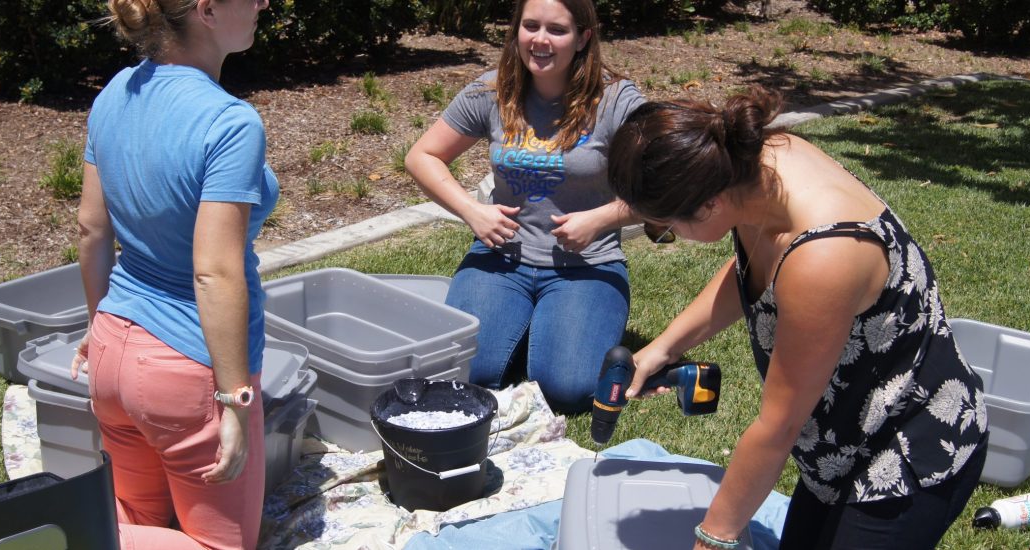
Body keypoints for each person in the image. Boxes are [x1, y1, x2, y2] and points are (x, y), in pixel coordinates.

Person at [607, 88, 988, 549]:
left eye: (663, 229)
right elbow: (758, 267)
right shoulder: (749, 167)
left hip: (909, 453)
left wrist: (715, 535)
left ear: (708, 204)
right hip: (840, 438)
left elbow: (778, 426)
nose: (669, 237)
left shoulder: (823, 257)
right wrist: (666, 346)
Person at [72, 0, 275, 548]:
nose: (262, 4)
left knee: (138, 523)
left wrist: (98, 331)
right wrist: (236, 400)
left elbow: (93, 232)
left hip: (112, 350)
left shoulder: (116, 92)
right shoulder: (229, 122)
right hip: (186, 373)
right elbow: (214, 272)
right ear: (207, 11)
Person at [405, 0, 645, 413]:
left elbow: (670, 182)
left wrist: (603, 218)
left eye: (557, 30)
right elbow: (422, 156)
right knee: (465, 377)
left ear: (584, 37)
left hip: (587, 265)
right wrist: (471, 210)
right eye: (530, 26)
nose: (540, 40)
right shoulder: (491, 91)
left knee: (568, 391)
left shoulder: (617, 100)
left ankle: (554, 332)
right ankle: (523, 328)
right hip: (500, 259)